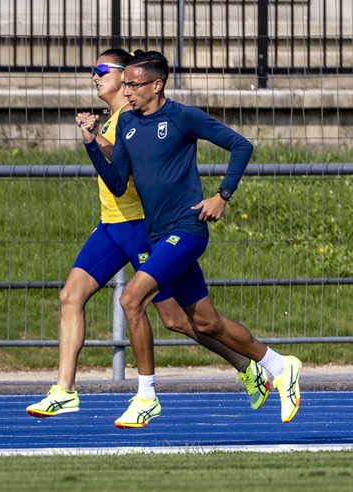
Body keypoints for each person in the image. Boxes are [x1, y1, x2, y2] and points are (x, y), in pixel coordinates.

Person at [27, 49, 268, 421]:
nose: (96, 76)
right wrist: (93, 139)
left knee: (177, 319)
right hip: (111, 226)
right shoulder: (115, 118)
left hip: (142, 226)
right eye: (96, 71)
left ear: (130, 79)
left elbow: (136, 169)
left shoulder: (138, 113)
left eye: (103, 69)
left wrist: (221, 194)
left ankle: (245, 364)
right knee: (70, 295)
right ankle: (65, 390)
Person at [86, 50, 301, 427]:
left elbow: (241, 145)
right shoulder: (128, 126)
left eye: (134, 84)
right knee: (205, 324)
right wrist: (91, 144)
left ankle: (146, 396)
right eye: (127, 84)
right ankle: (280, 366)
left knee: (131, 297)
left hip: (186, 231)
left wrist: (222, 195)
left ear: (157, 84)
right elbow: (119, 184)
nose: (127, 90)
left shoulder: (182, 116)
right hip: (157, 235)